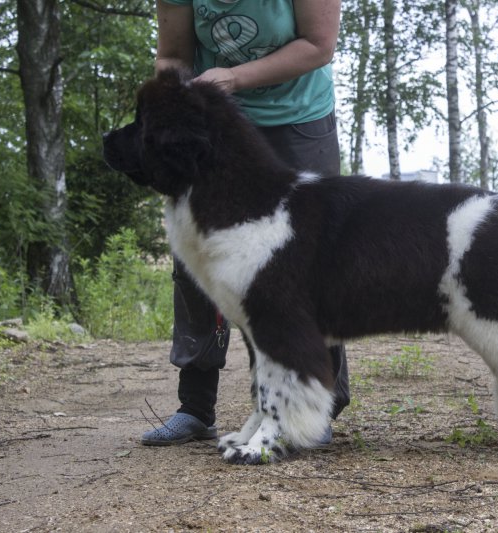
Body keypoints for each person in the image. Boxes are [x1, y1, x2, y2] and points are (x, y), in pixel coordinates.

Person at [141, 0, 350, 445]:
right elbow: (173, 53)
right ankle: (196, 406)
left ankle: (316, 404)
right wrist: (175, 95)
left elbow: (318, 44)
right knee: (198, 255)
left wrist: (234, 77)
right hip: (213, 121)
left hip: (297, 118)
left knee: (309, 264)